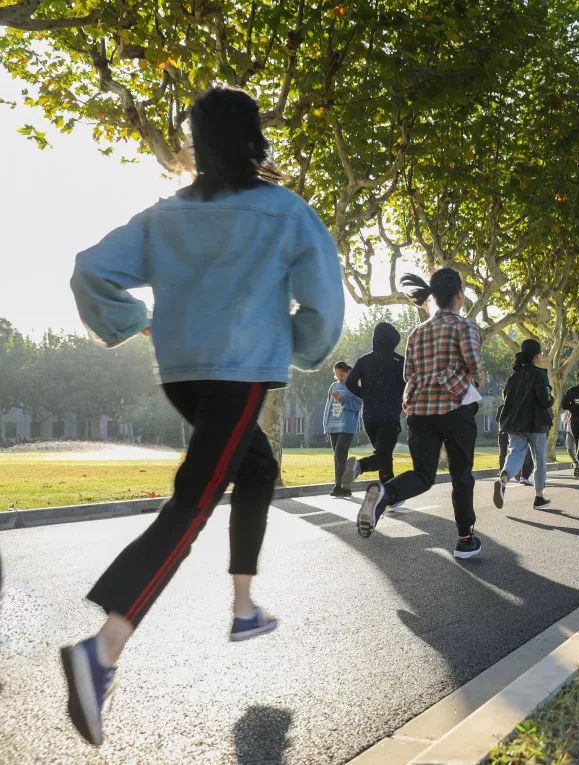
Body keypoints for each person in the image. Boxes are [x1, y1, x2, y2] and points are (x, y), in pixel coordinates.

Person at [62, 86, 344, 747]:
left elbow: (89, 271)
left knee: (259, 469)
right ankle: (101, 649)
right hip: (240, 375)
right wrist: (293, 345)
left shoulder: (164, 215)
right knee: (192, 503)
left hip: (182, 376)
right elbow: (323, 311)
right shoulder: (285, 212)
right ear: (254, 139)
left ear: (196, 141)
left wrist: (137, 322)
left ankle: (244, 607)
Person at [356, 268, 484, 560]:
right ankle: (465, 540)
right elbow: (476, 368)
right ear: (458, 296)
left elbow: (408, 373)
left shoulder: (417, 332)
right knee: (460, 476)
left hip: (420, 411)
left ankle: (384, 495)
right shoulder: (465, 326)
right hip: (455, 409)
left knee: (422, 474)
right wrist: (471, 385)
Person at [343, 322, 405, 489]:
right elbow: (408, 386)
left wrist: (366, 394)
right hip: (390, 416)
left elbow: (349, 382)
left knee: (384, 454)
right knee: (384, 456)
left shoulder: (364, 360)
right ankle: (359, 466)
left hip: (370, 417)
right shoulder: (399, 361)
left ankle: (388, 494)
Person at [494, 339, 555, 509]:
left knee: (515, 454)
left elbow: (506, 397)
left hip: (514, 423)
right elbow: (545, 399)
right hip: (536, 424)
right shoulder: (540, 375)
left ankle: (503, 479)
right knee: (539, 461)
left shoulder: (513, 376)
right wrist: (552, 399)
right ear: (536, 356)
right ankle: (539, 497)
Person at [323, 361, 362, 497]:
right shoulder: (333, 386)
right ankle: (345, 488)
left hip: (347, 425)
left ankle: (338, 487)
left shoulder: (355, 387)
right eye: (336, 374)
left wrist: (342, 400)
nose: (339, 377)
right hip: (333, 426)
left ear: (347, 372)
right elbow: (328, 407)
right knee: (338, 457)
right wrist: (326, 426)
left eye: (341, 374)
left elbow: (358, 405)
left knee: (340, 453)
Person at [497, 402, 535, 483]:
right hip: (507, 432)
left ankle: (507, 473)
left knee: (515, 452)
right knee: (530, 454)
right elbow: (498, 419)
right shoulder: (501, 407)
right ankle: (504, 471)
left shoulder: (511, 405)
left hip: (511, 430)